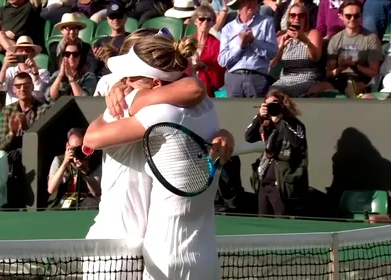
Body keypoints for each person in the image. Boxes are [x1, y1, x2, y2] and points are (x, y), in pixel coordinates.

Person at [83, 34, 234, 280]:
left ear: (155, 83)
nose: (126, 82)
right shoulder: (204, 106)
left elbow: (193, 88)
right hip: (115, 248)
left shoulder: (147, 105)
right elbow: (90, 139)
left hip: (155, 256)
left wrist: (128, 92)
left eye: (130, 77)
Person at [246, 90, 308, 216]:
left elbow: (298, 143)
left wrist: (280, 121)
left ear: (282, 105)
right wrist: (259, 117)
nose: (272, 107)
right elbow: (249, 137)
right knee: (263, 221)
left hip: (283, 183)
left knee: (282, 220)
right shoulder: (265, 124)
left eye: (275, 103)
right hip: (264, 180)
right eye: (268, 105)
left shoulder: (293, 123)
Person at [218, 0, 277, 98]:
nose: (252, 3)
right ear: (239, 5)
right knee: (233, 113)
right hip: (234, 78)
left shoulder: (266, 23)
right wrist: (240, 46)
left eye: (254, 1)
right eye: (246, 1)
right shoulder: (228, 28)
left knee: (257, 112)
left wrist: (253, 41)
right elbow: (222, 60)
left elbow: (272, 53)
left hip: (257, 78)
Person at [47, 128, 101, 209]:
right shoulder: (59, 160)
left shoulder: (94, 162)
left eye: (79, 148)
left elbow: (96, 193)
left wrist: (85, 170)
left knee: (93, 204)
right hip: (63, 201)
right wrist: (65, 163)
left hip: (86, 202)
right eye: (73, 148)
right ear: (67, 146)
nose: (76, 152)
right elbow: (51, 189)